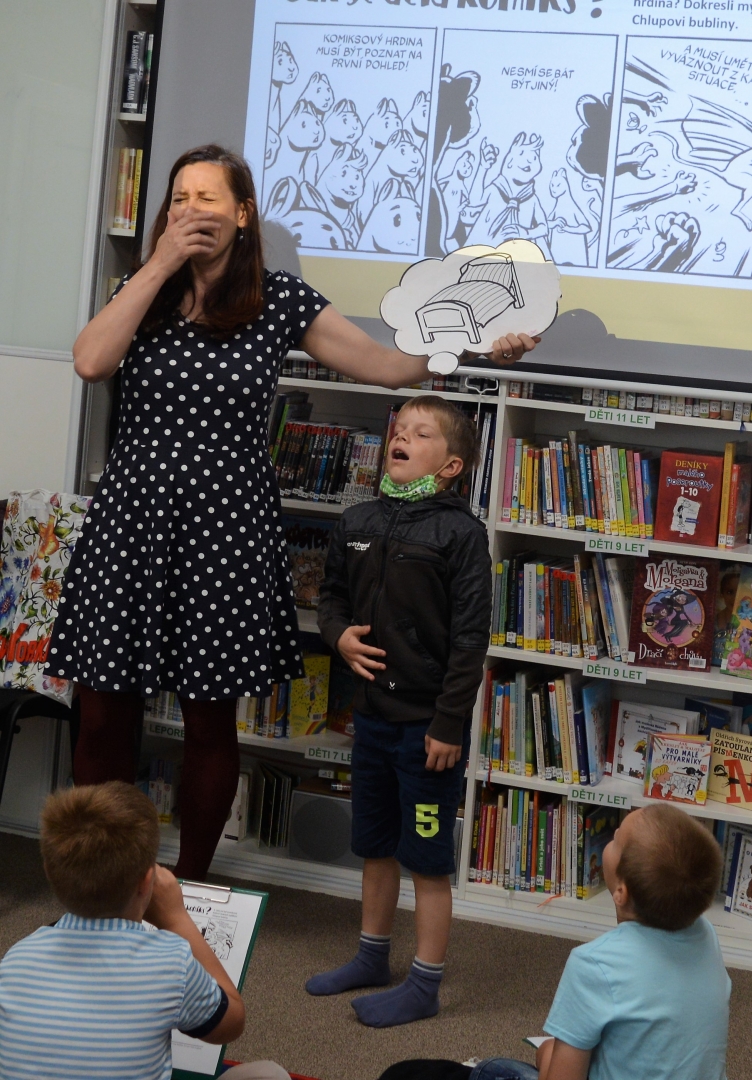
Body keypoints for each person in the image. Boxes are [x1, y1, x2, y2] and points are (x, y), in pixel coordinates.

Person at [47, 143, 537, 881]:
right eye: (179, 199)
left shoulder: (278, 299)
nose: (190, 210)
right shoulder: (140, 290)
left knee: (209, 720)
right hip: (131, 525)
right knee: (102, 715)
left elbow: (387, 366)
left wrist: (471, 344)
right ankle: (103, 885)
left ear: (243, 214)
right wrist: (157, 265)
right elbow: (90, 361)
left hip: (224, 531)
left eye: (207, 198)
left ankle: (192, 889)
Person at [305, 396, 491, 1028]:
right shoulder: (355, 519)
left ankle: (425, 984)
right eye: (399, 429)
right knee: (374, 845)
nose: (401, 437)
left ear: (451, 466)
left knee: (427, 860)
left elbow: (470, 639)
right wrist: (338, 636)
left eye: (421, 433)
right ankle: (371, 957)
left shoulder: (461, 535)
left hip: (427, 731)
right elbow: (331, 597)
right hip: (372, 720)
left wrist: (449, 723)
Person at [0, 781, 288, 1080]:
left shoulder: (16, 959)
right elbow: (232, 1024)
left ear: (49, 871)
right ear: (147, 881)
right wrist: (176, 919)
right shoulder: (171, 963)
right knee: (270, 1074)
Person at [468, 805, 731, 1080]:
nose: (612, 834)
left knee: (491, 1069)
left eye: (616, 839)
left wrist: (546, 1055)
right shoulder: (707, 936)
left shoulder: (594, 964)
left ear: (621, 892)